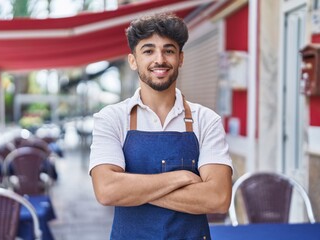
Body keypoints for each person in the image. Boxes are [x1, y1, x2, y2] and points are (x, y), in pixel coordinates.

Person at [89, 12, 233, 240]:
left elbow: (218, 198)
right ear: (133, 60)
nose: (160, 60)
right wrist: (182, 177)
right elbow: (107, 191)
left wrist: (130, 189)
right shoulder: (111, 118)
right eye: (148, 51)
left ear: (181, 58)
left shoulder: (206, 120)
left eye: (169, 50)